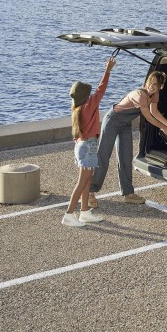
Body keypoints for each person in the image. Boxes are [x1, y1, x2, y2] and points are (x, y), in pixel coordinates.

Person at [92, 70, 167, 203]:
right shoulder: (140, 95)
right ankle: (90, 191)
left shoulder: (155, 95)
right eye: (150, 82)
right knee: (104, 156)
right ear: (146, 82)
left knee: (126, 158)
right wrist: (164, 128)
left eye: (155, 84)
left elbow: (155, 112)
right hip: (112, 120)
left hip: (125, 124)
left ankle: (128, 194)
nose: (151, 86)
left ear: (160, 86)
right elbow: (148, 117)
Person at [63, 56, 116, 227]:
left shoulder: (76, 109)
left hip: (81, 146)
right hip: (88, 147)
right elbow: (101, 88)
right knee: (81, 183)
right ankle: (68, 214)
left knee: (86, 181)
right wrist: (107, 70)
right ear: (86, 96)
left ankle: (84, 212)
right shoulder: (88, 106)